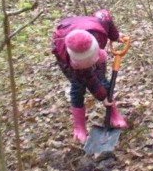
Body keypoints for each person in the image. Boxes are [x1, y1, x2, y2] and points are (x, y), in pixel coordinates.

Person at [51, 9, 127, 143]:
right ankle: (79, 127)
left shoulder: (99, 29)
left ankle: (113, 114)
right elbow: (88, 78)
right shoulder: (64, 52)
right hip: (67, 49)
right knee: (78, 86)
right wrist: (102, 96)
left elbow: (105, 15)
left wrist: (114, 36)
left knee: (101, 79)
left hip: (88, 32)